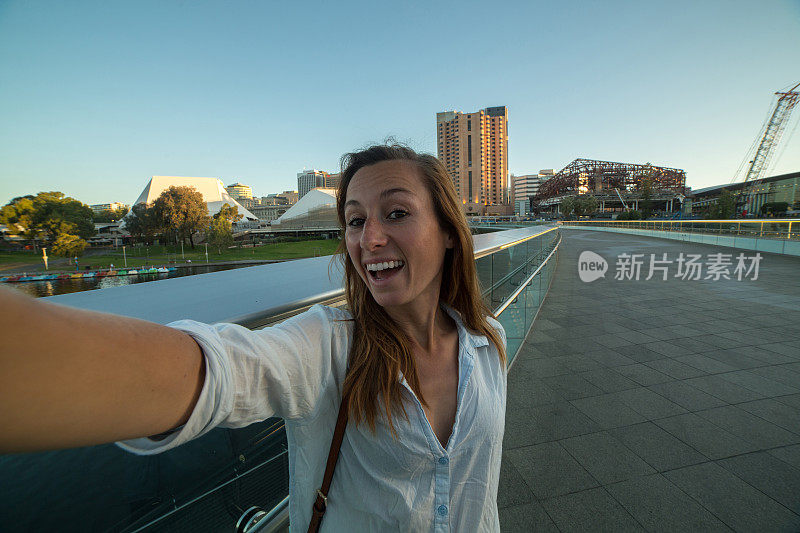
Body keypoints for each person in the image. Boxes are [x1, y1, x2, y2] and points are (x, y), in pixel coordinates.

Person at [0, 143, 507, 531]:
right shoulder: (327, 346)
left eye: (395, 213)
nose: (369, 238)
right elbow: (226, 368)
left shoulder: (489, 345)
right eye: (354, 220)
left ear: (447, 229)